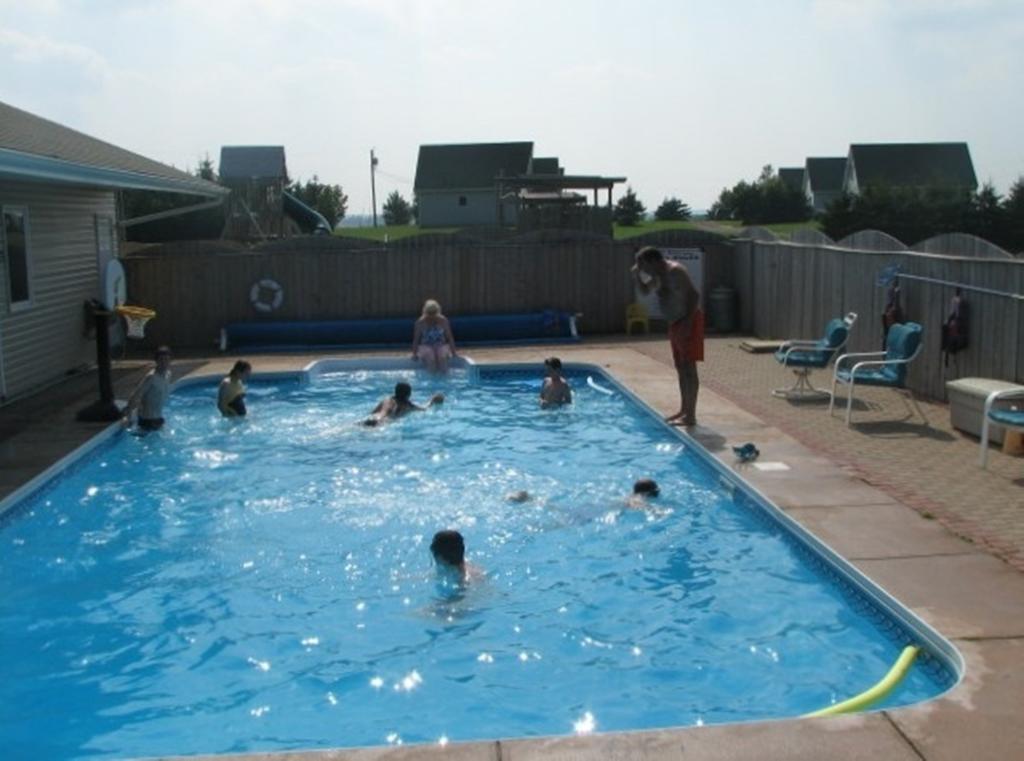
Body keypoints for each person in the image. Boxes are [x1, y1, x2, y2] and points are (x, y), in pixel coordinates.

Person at [631, 246, 703, 427]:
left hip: (689, 321)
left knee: (689, 368)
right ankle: (684, 409)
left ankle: (691, 415)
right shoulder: (658, 275)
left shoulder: (675, 272)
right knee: (680, 368)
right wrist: (637, 276)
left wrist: (687, 323)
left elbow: (694, 296)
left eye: (643, 266)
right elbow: (645, 291)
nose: (643, 270)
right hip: (675, 323)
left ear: (653, 261)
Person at [121, 346, 173, 431]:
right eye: (161, 360)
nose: (164, 362)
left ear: (170, 361)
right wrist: (128, 415)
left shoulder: (168, 375)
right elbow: (136, 395)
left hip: (159, 418)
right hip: (146, 421)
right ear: (156, 361)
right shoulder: (151, 377)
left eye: (167, 359)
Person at [362, 381, 444, 426]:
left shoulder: (388, 400)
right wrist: (432, 400)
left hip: (374, 420)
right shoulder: (407, 405)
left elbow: (373, 413)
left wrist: (376, 419)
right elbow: (425, 408)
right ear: (409, 395)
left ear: (395, 391)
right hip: (378, 421)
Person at [412, 299, 457, 374]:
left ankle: (444, 379)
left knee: (442, 357)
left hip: (441, 345)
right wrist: (414, 354)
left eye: (434, 313)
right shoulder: (420, 323)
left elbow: (450, 337)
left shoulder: (443, 321)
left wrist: (454, 353)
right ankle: (432, 380)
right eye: (429, 313)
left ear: (438, 312)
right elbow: (416, 340)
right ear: (425, 312)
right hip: (426, 346)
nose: (432, 316)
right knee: (431, 358)